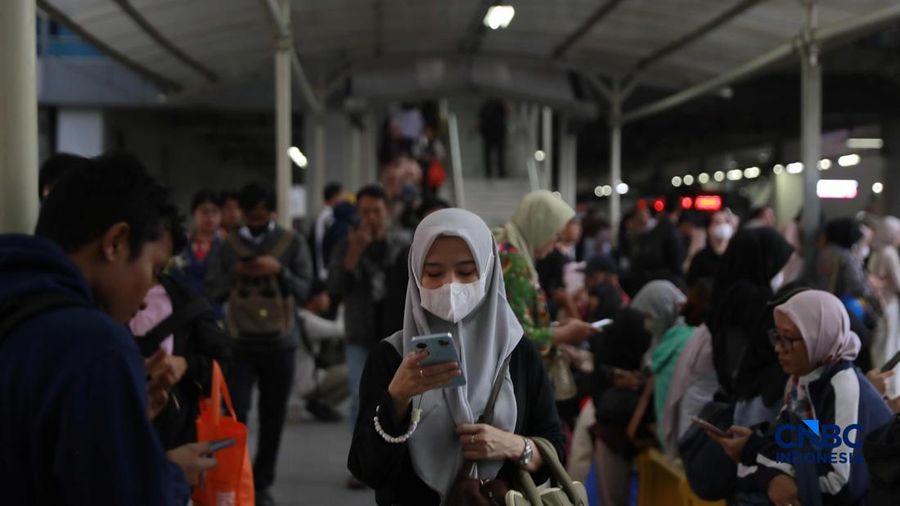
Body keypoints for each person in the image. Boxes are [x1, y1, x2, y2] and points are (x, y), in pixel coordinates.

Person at [0, 154, 216, 504]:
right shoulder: (97, 347)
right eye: (154, 270)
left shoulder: (16, 305)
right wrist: (170, 475)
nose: (145, 300)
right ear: (115, 242)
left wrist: (117, 416)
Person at [347, 208, 565, 505]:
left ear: (488, 272)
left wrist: (513, 446)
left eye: (465, 272)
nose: (450, 285)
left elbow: (554, 450)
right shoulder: (392, 356)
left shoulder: (517, 352)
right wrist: (396, 399)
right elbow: (369, 470)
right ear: (415, 275)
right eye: (434, 273)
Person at [708, 290, 892, 506]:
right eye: (777, 337)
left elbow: (840, 485)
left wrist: (773, 472)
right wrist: (754, 449)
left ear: (819, 337)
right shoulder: (805, 381)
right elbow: (787, 441)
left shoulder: (843, 387)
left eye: (789, 339)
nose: (778, 348)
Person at [205, 182, 314, 506]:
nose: (256, 222)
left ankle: (261, 483)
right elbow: (212, 290)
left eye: (261, 216)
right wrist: (236, 273)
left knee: (273, 417)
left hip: (281, 342)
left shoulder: (291, 242)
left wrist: (278, 270)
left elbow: (305, 289)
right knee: (235, 414)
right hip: (239, 343)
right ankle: (234, 478)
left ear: (272, 212)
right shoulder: (228, 246)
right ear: (241, 212)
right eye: (250, 217)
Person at [328, 184, 410, 479]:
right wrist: (353, 253)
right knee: (358, 397)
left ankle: (396, 459)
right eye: (365, 212)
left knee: (399, 397)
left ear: (387, 211)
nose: (371, 218)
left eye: (377, 211)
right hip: (359, 333)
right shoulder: (347, 244)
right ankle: (361, 464)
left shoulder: (402, 243)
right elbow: (334, 288)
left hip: (395, 333)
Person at [130, 230, 232, 450]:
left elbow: (221, 363)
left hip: (176, 435)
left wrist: (186, 364)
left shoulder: (187, 302)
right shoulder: (94, 302)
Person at [708, 227, 794, 427]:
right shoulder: (756, 301)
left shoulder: (726, 290)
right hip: (753, 403)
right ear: (762, 260)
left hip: (731, 395)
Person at [496, 190, 596, 348]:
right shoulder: (513, 262)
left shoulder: (506, 250)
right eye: (556, 235)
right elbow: (518, 336)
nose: (556, 243)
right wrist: (564, 334)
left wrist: (555, 328)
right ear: (540, 227)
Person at [294, 280, 349, 422]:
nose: (328, 299)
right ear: (315, 298)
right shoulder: (307, 320)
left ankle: (319, 404)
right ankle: (322, 405)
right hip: (308, 381)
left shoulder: (300, 316)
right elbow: (340, 330)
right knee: (354, 374)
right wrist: (342, 309)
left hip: (304, 379)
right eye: (325, 295)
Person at [869, 216, 900, 395]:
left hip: (878, 306)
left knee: (881, 346)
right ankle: (890, 390)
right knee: (890, 346)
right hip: (889, 304)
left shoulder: (877, 252)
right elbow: (897, 283)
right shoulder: (889, 253)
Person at [181, 190, 223, 316]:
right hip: (184, 310)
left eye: (215, 211)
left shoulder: (226, 246)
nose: (210, 217)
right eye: (204, 211)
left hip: (215, 312)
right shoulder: (182, 244)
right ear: (194, 214)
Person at [629, 198, 685, 291]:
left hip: (646, 280)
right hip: (665, 280)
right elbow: (676, 259)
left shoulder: (654, 230)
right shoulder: (670, 230)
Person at [687, 210, 735, 288]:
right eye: (717, 222)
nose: (723, 226)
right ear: (708, 228)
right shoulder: (700, 258)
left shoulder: (734, 257)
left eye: (726, 222)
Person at [314, 182, 345, 282]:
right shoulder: (329, 216)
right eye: (342, 195)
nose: (344, 199)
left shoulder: (323, 215)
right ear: (335, 196)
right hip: (327, 272)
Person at [478, 98, 507, 179]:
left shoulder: (498, 106)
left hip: (496, 134)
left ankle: (498, 172)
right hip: (491, 134)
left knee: (498, 154)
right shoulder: (486, 107)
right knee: (492, 154)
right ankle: (492, 172)